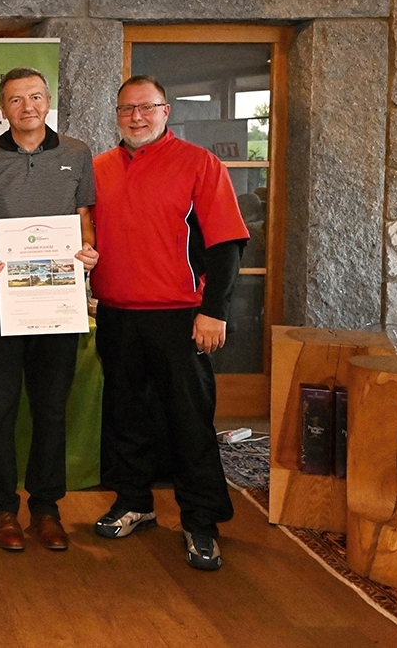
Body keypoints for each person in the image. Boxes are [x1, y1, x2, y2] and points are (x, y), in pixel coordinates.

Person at [90, 74, 248, 572]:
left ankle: (200, 521)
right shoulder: (98, 169)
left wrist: (215, 310)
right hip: (116, 314)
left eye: (146, 107)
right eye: (126, 109)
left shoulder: (199, 164)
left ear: (166, 111)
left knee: (188, 421)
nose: (136, 117)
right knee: (125, 417)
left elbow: (226, 244)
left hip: (181, 316)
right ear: (117, 115)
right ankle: (133, 501)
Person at [0, 68, 97, 553]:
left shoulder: (77, 153)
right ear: (2, 108)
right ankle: (2, 508)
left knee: (50, 408)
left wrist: (88, 250)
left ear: (48, 102)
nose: (27, 107)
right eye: (16, 99)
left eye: (36, 97)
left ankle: (46, 507)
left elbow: (84, 218)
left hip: (57, 297)